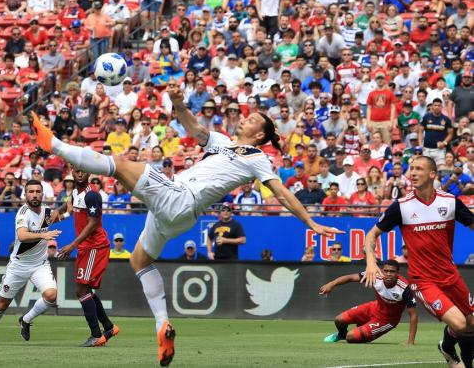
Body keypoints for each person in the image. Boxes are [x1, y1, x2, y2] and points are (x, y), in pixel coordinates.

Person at [30, 85, 341, 365]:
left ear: (259, 135)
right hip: (179, 215)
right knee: (139, 261)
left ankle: (53, 144)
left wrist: (311, 222)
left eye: (252, 120)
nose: (245, 119)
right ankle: (162, 325)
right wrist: (178, 101)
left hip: (180, 197)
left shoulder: (256, 156)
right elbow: (193, 126)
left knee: (122, 165)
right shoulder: (222, 141)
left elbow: (282, 194)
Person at [363, 156, 474, 368]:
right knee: (460, 323)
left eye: (418, 168)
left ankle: (447, 347)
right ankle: (459, 359)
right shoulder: (402, 206)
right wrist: (370, 261)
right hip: (423, 281)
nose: (412, 172)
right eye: (411, 168)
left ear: (432, 174)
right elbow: (371, 235)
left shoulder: (449, 202)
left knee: (471, 324)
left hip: (450, 275)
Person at [0, 180, 61, 345]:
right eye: (31, 191)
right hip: (19, 265)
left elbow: (59, 215)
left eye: (37, 191)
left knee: (51, 296)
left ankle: (26, 320)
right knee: (3, 303)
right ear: (25, 194)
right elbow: (22, 236)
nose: (34, 194)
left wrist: (72, 204)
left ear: (42, 194)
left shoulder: (47, 212)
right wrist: (43, 235)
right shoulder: (23, 212)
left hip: (40, 264)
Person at [55, 168, 119, 347]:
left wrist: (72, 245)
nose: (80, 174)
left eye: (83, 171)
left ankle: (96, 335)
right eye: (76, 171)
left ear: (89, 174)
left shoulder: (92, 195)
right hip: (86, 248)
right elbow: (67, 206)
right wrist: (53, 214)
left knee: (81, 291)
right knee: (85, 290)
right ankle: (109, 327)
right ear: (72, 174)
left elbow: (93, 224)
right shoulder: (76, 193)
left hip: (95, 247)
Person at [320, 260, 418, 344]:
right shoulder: (375, 276)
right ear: (382, 271)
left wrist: (410, 341)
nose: (388, 274)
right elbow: (350, 277)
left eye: (392, 272)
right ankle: (341, 335)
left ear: (397, 273)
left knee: (351, 337)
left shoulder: (404, 288)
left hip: (387, 320)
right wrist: (331, 284)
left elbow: (413, 315)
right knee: (339, 320)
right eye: (386, 271)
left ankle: (360, 333)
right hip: (373, 308)